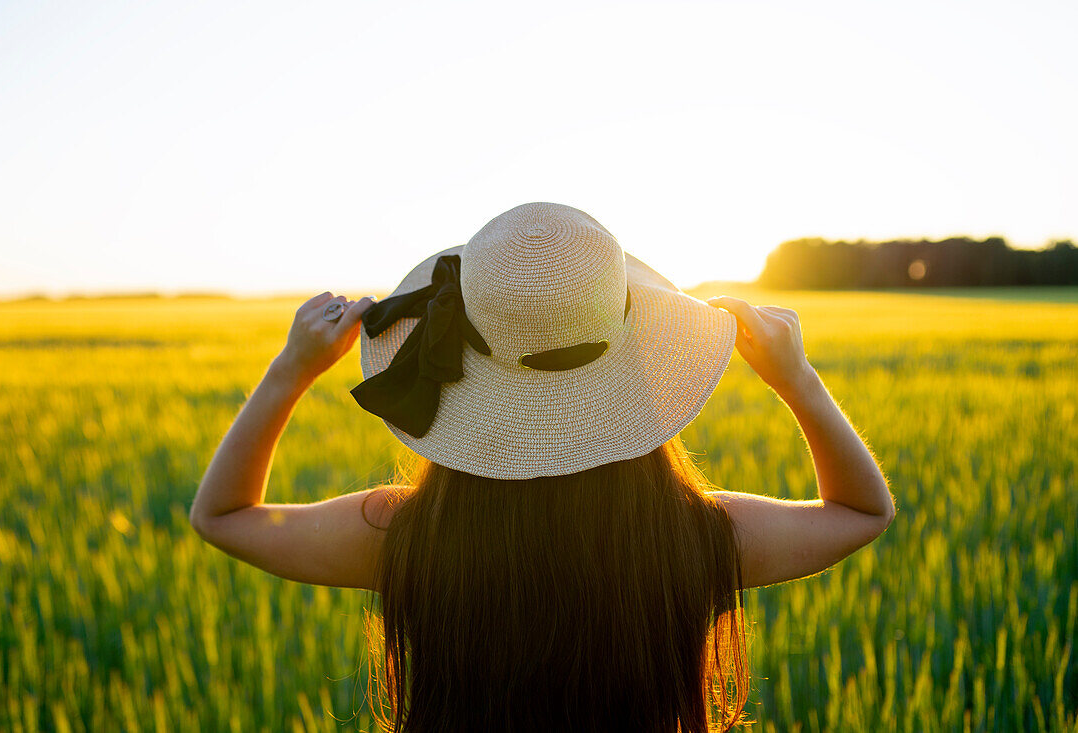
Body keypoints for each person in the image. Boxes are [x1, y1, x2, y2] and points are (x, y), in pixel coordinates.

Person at [190, 203, 895, 732]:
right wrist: (795, 379)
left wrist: (291, 371)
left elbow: (222, 516)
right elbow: (863, 512)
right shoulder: (695, 538)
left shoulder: (403, 535)